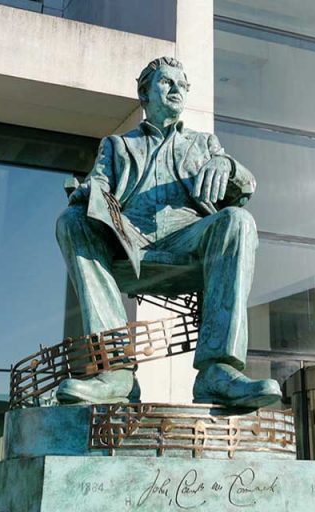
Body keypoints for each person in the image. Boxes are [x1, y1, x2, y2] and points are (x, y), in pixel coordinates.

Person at [54, 56, 281, 408]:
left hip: (188, 239)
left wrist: (228, 165)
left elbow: (246, 186)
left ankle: (217, 370)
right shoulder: (117, 145)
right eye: (166, 82)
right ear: (144, 94)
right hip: (131, 241)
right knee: (71, 221)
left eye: (182, 84)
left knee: (238, 220)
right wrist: (85, 196)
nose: (176, 89)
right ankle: (115, 370)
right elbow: (98, 186)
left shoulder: (205, 144)